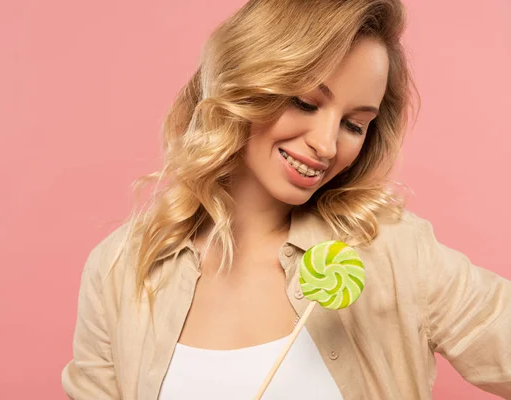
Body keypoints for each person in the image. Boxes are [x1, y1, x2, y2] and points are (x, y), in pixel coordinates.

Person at [61, 0, 511, 398]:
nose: (327, 145)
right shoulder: (121, 269)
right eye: (306, 102)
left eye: (354, 124)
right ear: (245, 84)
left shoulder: (390, 252)